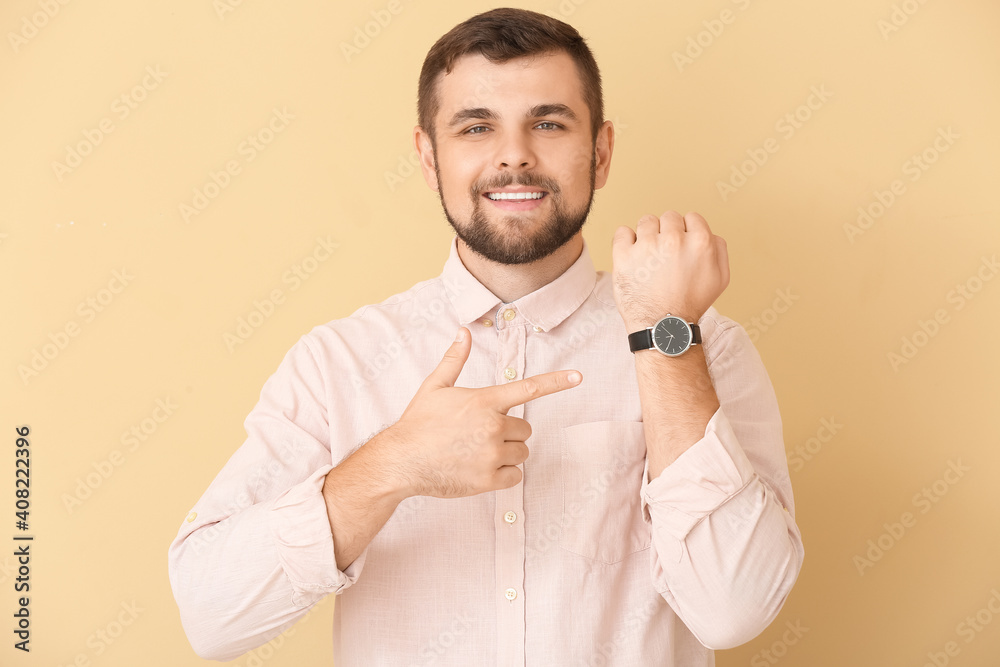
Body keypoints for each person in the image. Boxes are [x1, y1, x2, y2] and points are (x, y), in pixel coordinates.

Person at [168, 7, 804, 665]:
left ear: (602, 150)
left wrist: (660, 335)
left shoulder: (703, 346)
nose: (514, 155)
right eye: (476, 127)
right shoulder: (339, 362)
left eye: (549, 123)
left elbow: (734, 608)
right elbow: (210, 613)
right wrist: (394, 463)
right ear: (427, 156)